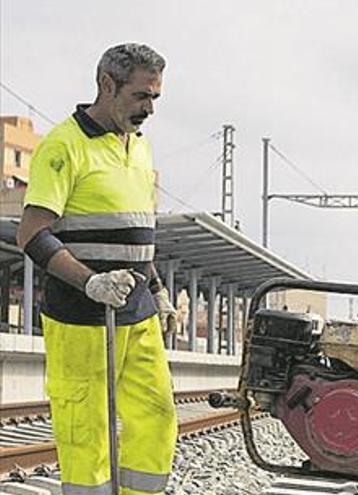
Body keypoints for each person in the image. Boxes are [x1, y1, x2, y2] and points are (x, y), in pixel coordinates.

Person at [16, 43, 177, 495]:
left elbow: (138, 230)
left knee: (158, 416)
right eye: (141, 96)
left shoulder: (139, 148)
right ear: (108, 85)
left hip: (138, 312)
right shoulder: (63, 147)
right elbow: (31, 234)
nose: (149, 109)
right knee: (88, 431)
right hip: (81, 318)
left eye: (155, 99)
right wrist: (91, 282)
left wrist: (159, 289)